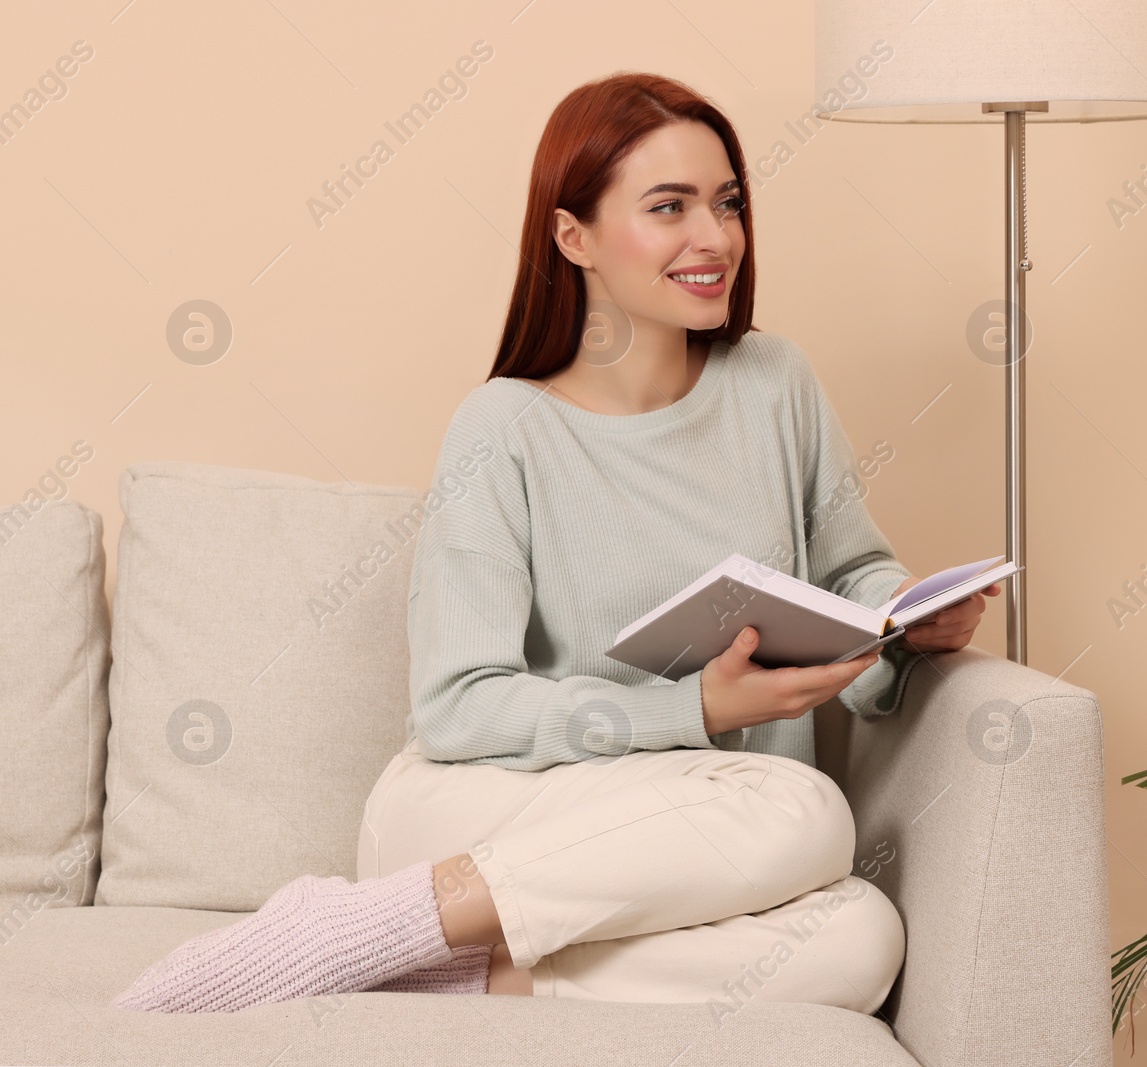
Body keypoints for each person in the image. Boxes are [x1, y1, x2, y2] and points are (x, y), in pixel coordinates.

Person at [110, 70, 1000, 1015]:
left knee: (861, 937)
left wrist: (903, 622)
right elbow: (459, 707)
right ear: (573, 237)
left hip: (694, 834)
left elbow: (850, 572)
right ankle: (366, 926)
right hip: (487, 815)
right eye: (670, 207)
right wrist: (691, 708)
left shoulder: (774, 384)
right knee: (807, 810)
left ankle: (467, 966)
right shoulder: (502, 428)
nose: (715, 237)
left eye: (727, 203)